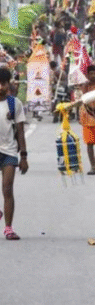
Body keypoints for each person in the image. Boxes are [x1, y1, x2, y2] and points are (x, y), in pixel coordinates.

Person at [0, 68, 28, 240]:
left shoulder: (14, 104)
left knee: (7, 188)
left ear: (8, 84)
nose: (0, 87)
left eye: (3, 83)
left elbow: (20, 131)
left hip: (9, 151)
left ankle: (8, 228)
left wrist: (24, 156)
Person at [76, 65, 95, 175]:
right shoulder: (85, 85)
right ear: (87, 75)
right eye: (90, 73)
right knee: (89, 143)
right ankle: (92, 165)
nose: (93, 76)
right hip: (87, 116)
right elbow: (82, 98)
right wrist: (84, 86)